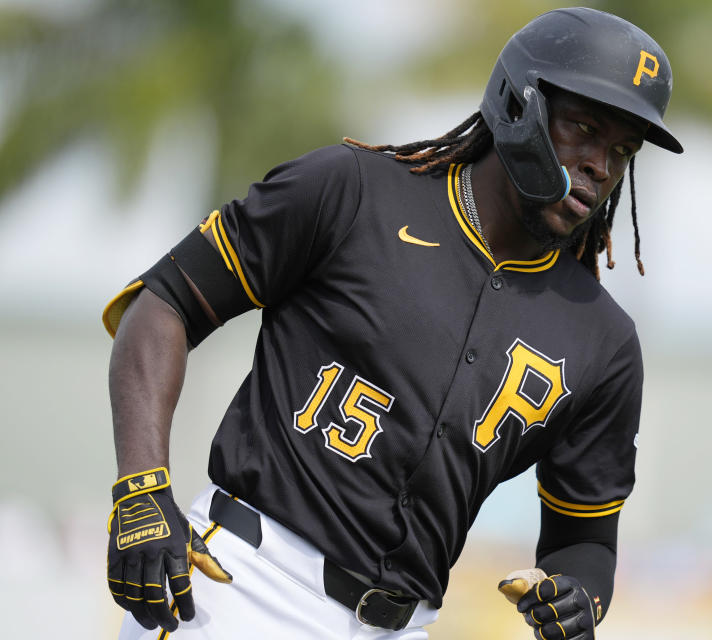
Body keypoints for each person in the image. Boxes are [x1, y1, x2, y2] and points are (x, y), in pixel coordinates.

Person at [103, 7, 682, 640]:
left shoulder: (604, 340)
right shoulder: (352, 192)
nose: (601, 165)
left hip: (403, 626)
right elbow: (163, 304)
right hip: (245, 588)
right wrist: (141, 488)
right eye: (582, 127)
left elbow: (585, 539)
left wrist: (580, 598)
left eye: (621, 150)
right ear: (520, 105)